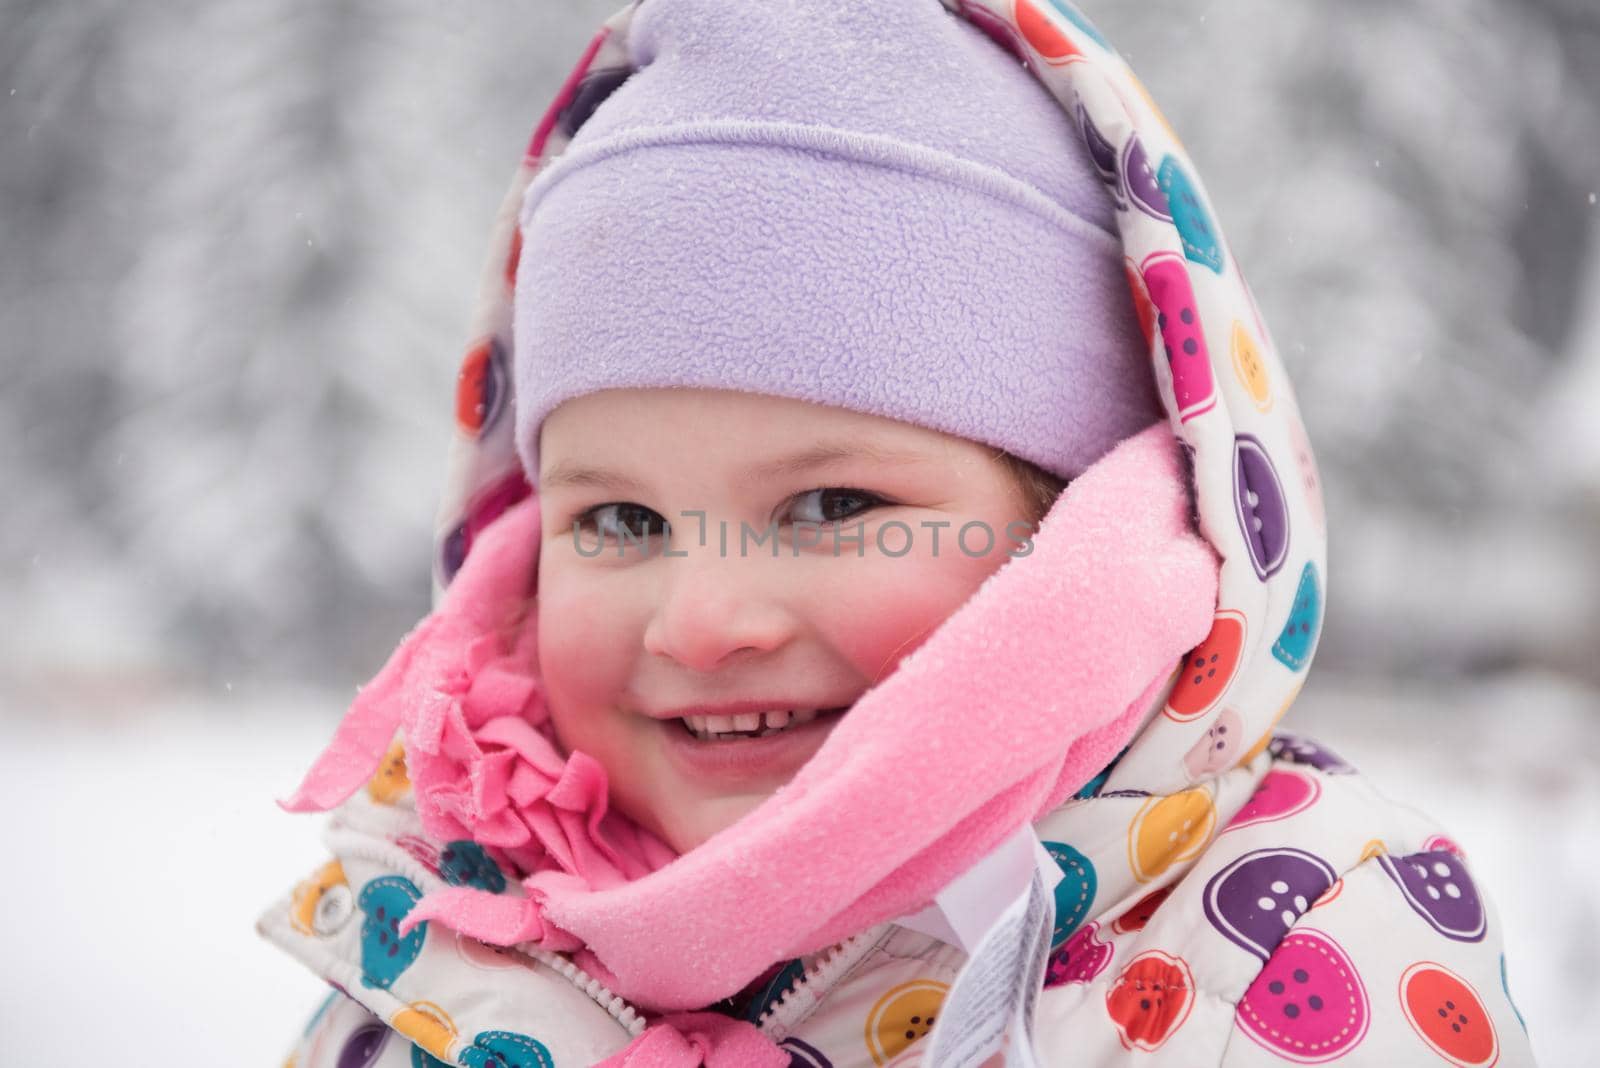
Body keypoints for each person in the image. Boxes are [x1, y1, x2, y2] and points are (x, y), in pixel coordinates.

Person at [259, 1, 1535, 1065]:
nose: (701, 623)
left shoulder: (1280, 952)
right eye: (622, 519)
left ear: (1069, 519)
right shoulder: (434, 950)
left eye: (830, 508)